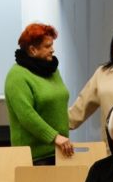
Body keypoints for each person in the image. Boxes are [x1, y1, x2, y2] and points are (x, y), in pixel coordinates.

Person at [5, 22, 74, 165]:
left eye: (52, 45)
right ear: (32, 50)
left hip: (59, 151)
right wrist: (54, 137)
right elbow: (27, 115)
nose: (52, 50)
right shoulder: (17, 76)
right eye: (47, 46)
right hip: (34, 157)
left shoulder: (52, 70)